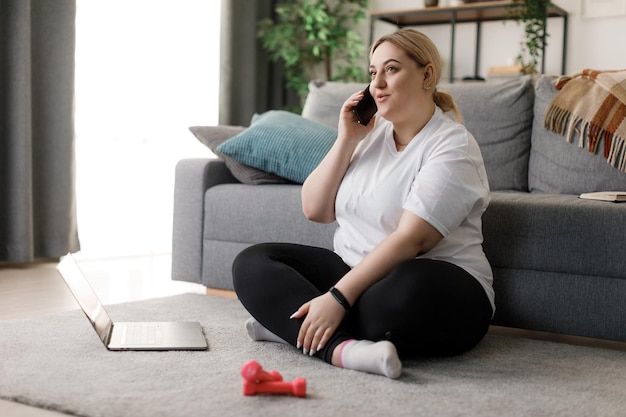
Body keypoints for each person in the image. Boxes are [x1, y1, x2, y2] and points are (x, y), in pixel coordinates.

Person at [232, 28, 494, 379]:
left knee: (396, 298)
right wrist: (346, 139)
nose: (378, 84)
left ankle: (291, 326)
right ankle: (343, 350)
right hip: (354, 272)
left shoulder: (452, 146)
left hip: (437, 283)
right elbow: (315, 209)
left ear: (427, 74)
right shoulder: (370, 133)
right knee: (252, 263)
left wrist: (338, 299)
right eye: (373, 73)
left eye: (391, 69)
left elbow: (412, 240)